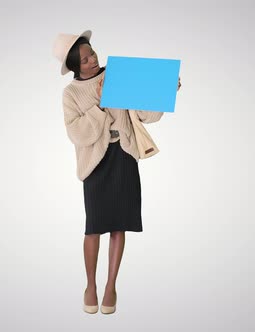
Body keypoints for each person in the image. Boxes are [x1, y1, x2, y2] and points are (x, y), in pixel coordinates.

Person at [52, 30, 181, 315]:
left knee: (119, 223)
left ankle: (111, 285)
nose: (92, 61)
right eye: (84, 60)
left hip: (123, 153)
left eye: (92, 54)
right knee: (94, 226)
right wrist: (100, 103)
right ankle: (90, 285)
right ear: (74, 67)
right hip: (95, 161)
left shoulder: (117, 74)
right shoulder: (71, 93)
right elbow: (77, 133)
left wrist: (165, 90)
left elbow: (144, 113)